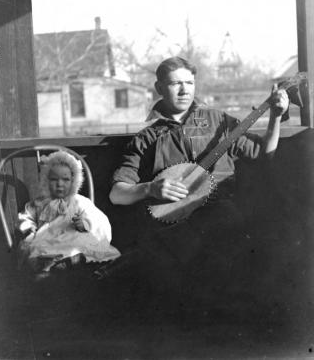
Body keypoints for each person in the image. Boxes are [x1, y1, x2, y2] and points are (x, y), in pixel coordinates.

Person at [107, 56, 289, 312]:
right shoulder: (147, 138)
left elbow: (263, 153)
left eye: (189, 82)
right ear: (159, 88)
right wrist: (149, 188)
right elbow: (117, 193)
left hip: (223, 217)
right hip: (176, 224)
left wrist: (276, 117)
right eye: (175, 84)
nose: (184, 90)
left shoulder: (219, 122)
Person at [16, 150, 121, 277]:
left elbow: (99, 220)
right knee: (38, 248)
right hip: (48, 238)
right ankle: (57, 263)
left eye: (65, 180)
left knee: (82, 244)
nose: (60, 184)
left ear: (74, 181)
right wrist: (29, 228)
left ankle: (74, 261)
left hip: (73, 236)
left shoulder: (80, 202)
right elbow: (25, 217)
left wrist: (85, 225)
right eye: (54, 179)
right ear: (46, 180)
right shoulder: (39, 203)